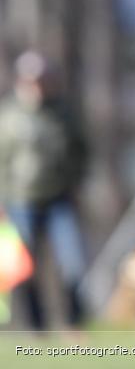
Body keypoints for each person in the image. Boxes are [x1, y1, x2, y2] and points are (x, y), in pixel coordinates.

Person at [0, 51, 88, 330]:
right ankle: (35, 327)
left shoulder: (63, 113)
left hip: (59, 199)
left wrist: (76, 183)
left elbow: (81, 152)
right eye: (32, 80)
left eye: (42, 79)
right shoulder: (9, 115)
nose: (37, 85)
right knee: (25, 269)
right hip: (19, 200)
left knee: (72, 262)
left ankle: (74, 324)